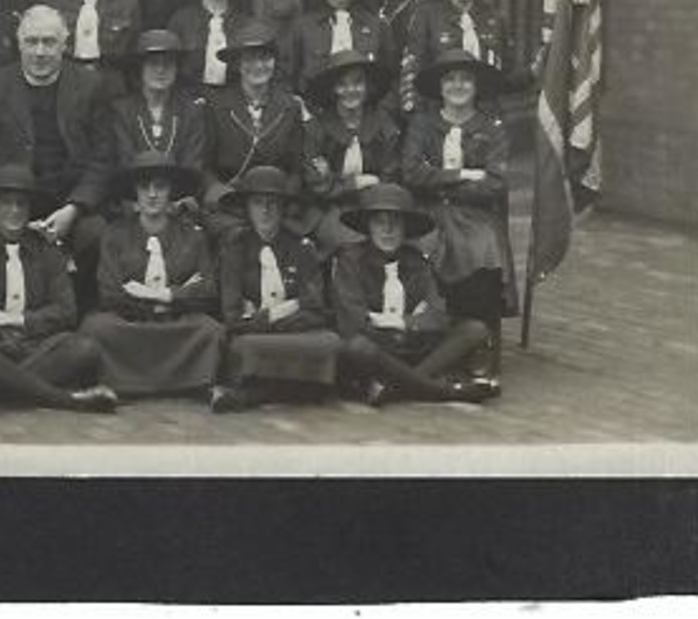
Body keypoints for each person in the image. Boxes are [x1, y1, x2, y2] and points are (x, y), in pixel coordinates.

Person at [0, 5, 115, 309]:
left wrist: (74, 208)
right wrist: (14, 208)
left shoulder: (90, 86)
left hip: (69, 202)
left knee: (96, 233)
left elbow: (104, 157)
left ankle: (82, 316)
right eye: (32, 42)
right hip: (12, 199)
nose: (40, 51)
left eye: (49, 42)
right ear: (19, 44)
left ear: (65, 44)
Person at [0, 165, 119, 413]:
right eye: (6, 203)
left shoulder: (48, 251)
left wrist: (17, 320)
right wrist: (3, 337)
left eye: (21, 204)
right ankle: (66, 400)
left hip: (38, 346)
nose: (14, 211)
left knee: (85, 348)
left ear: (30, 210)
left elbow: (66, 312)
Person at [401, 49, 514, 393]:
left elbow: (495, 182)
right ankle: (433, 347)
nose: (458, 86)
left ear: (476, 86)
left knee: (484, 250)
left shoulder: (491, 128)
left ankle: (481, 348)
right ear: (440, 86)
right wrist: (464, 174)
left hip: (474, 214)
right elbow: (412, 172)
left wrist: (441, 180)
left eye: (465, 79)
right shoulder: (423, 124)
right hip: (429, 210)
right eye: (450, 79)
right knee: (420, 248)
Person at [331, 183, 494, 405]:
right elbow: (354, 321)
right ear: (369, 227)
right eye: (380, 222)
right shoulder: (350, 261)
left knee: (475, 330)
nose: (387, 230)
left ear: (405, 228)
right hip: (377, 350)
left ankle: (393, 387)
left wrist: (398, 322)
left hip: (414, 346)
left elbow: (438, 315)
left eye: (395, 223)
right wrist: (415, 319)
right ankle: (443, 391)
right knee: (358, 347)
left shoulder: (417, 261)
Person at [79, 153, 223, 398]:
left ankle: (194, 383)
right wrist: (179, 295)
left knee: (211, 330)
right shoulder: (115, 234)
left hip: (176, 324)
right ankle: (122, 382)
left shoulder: (193, 236)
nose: (153, 194)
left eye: (160, 186)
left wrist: (162, 295)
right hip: (130, 322)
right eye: (145, 187)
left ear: (171, 192)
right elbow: (110, 294)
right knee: (94, 327)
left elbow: (207, 291)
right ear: (135, 193)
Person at [211, 166, 341, 413]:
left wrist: (262, 317)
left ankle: (253, 395)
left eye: (273, 202)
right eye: (257, 202)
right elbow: (232, 317)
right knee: (244, 347)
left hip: (293, 335)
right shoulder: (234, 248)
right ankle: (295, 390)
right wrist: (291, 307)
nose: (265, 210)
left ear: (283, 207)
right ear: (247, 207)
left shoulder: (302, 247)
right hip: (254, 338)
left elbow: (316, 310)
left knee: (330, 343)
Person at [201, 19, 322, 238]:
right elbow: (205, 164)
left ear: (274, 62)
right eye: (250, 58)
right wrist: (219, 192)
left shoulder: (289, 106)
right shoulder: (216, 106)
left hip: (275, 204)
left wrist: (286, 196)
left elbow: (295, 167)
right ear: (237, 64)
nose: (258, 66)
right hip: (232, 204)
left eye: (265, 58)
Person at [403, 0, 521, 114]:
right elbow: (413, 71)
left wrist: (534, 71)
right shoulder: (427, 16)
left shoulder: (495, 18)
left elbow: (507, 76)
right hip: (439, 114)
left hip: (485, 115)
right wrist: (418, 116)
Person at [304, 49, 400, 255]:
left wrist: (335, 178)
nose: (350, 90)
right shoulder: (316, 129)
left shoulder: (383, 125)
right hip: (328, 209)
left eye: (357, 83)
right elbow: (317, 184)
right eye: (342, 84)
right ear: (333, 89)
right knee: (352, 245)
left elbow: (390, 174)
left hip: (375, 206)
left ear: (368, 87)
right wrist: (356, 183)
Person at [291, 0, 395, 108]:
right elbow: (291, 77)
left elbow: (390, 79)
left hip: (365, 116)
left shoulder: (377, 26)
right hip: (316, 115)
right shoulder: (303, 26)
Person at [107, 29, 209, 176]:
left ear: (176, 69)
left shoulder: (191, 111)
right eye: (153, 63)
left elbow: (192, 164)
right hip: (134, 192)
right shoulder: (122, 110)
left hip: (180, 193)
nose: (160, 70)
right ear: (140, 68)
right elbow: (125, 161)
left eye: (168, 63)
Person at [167, 0, 260, 96]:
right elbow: (171, 67)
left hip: (233, 102)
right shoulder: (181, 20)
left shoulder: (246, 24)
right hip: (190, 101)